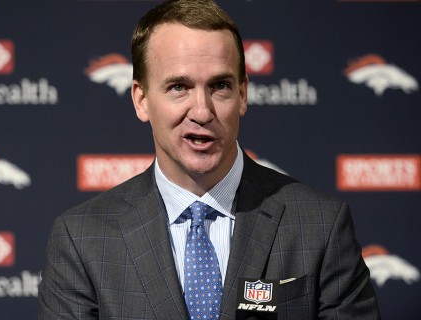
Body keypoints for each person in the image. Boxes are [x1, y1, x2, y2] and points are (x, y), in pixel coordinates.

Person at [38, 0, 381, 319]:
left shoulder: (321, 225)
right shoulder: (81, 239)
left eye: (220, 86)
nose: (202, 111)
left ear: (243, 94)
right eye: (178, 87)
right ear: (141, 100)